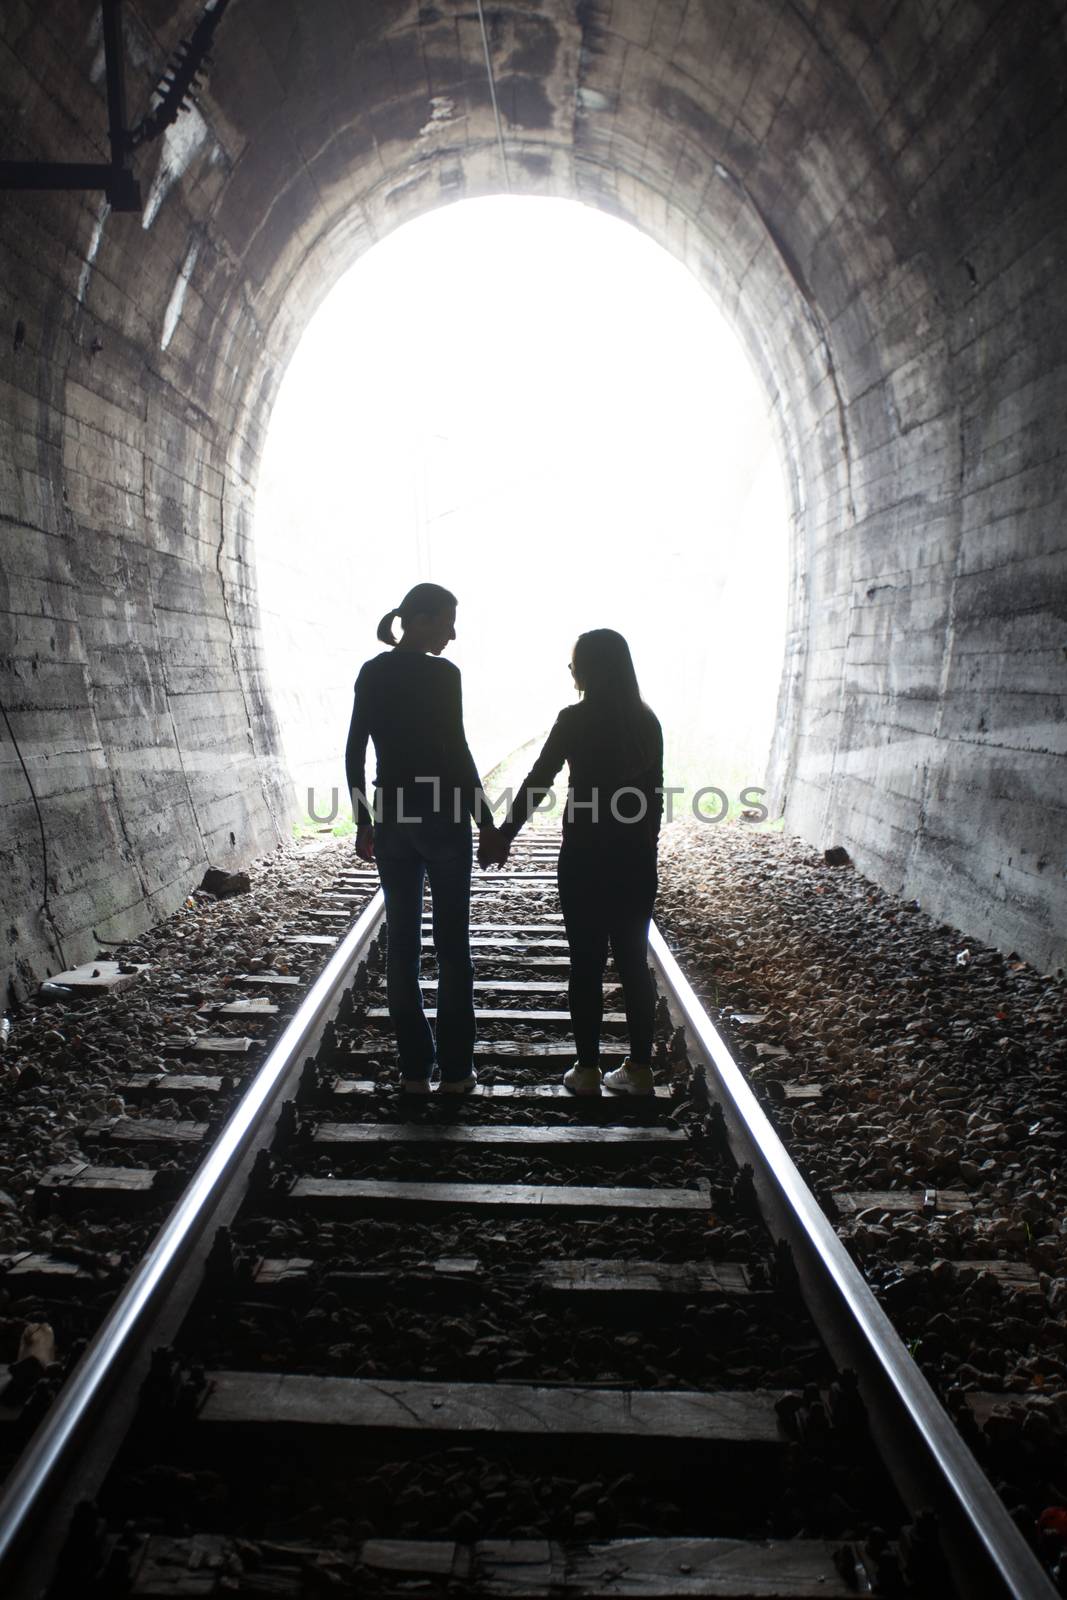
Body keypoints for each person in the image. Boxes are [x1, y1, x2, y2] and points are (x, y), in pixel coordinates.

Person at [345, 583, 506, 1095]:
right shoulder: (443, 676)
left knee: (402, 946)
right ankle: (457, 1073)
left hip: (392, 817)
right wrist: (487, 823)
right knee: (453, 947)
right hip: (441, 818)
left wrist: (363, 820)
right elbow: (456, 751)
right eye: (446, 623)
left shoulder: (373, 672)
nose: (453, 635)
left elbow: (354, 752)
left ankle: (415, 1069)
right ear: (419, 620)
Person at [495, 629, 663, 1095]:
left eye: (576, 663)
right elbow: (655, 799)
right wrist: (644, 851)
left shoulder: (573, 719)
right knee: (632, 960)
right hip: (633, 861)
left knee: (585, 961)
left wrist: (503, 836)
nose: (571, 670)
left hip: (584, 858)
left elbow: (538, 782)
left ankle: (587, 1069)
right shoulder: (647, 722)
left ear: (591, 668)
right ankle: (640, 1071)